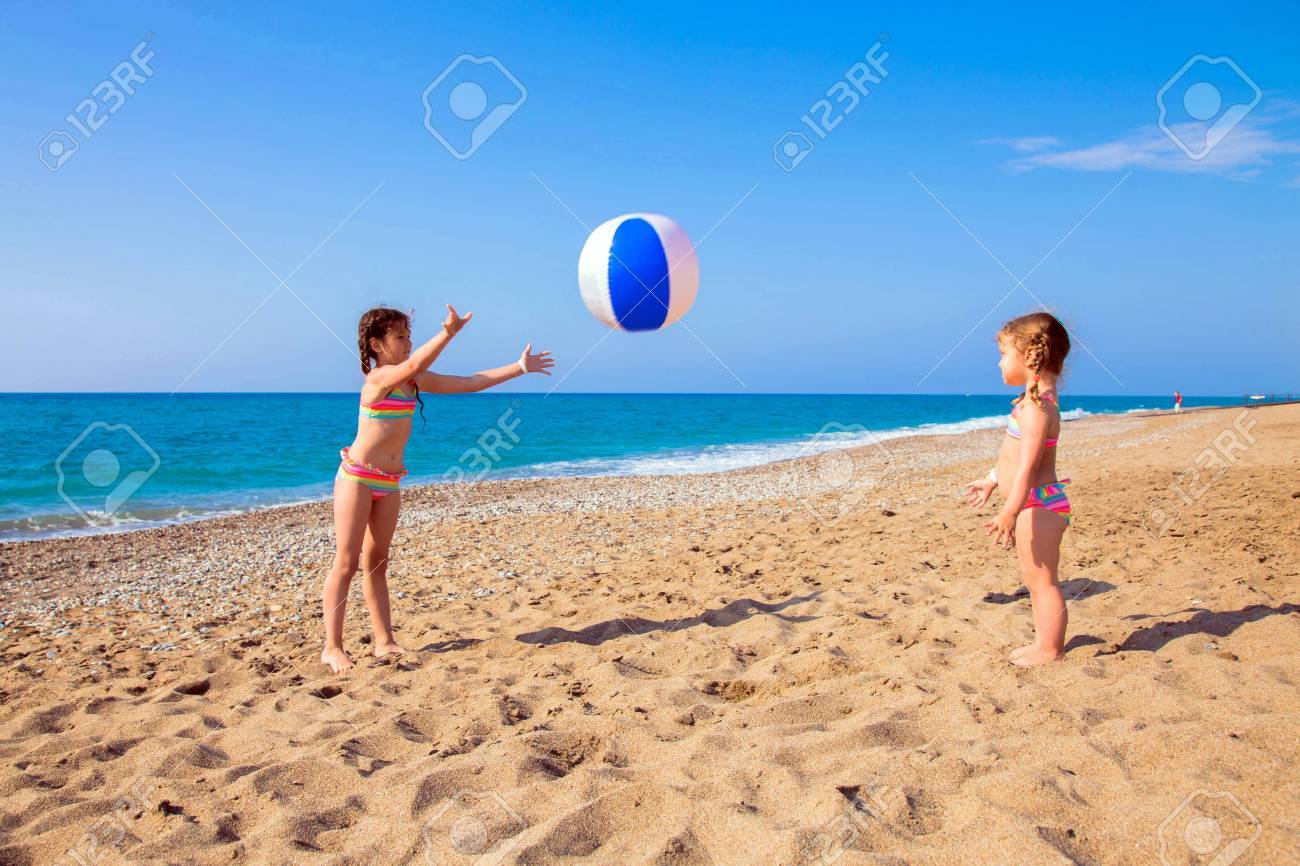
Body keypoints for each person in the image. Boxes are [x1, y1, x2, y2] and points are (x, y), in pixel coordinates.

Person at [321, 305, 554, 674]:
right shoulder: (378, 379)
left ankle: (384, 641)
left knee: (377, 562)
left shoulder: (414, 381)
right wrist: (449, 333)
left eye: (409, 336)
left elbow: (470, 382)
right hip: (357, 478)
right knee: (347, 562)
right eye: (400, 337)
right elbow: (412, 366)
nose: (408, 343)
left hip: (389, 481)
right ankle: (332, 647)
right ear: (376, 344)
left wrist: (519, 367)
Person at [963, 311, 1072, 666]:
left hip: (1036, 504)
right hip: (1033, 502)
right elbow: (1013, 459)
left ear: (1028, 356)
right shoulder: (1033, 402)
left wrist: (1009, 511)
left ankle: (1050, 649)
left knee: (1043, 582)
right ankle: (1044, 643)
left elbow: (1028, 467)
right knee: (1034, 578)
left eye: (1003, 354)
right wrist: (992, 479)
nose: (999, 363)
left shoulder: (1037, 409)